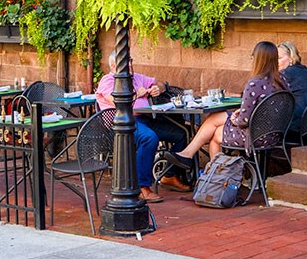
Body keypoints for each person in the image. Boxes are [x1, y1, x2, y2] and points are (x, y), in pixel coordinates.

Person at [167, 41, 291, 168]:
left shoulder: (255, 83)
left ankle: (216, 179)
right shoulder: (283, 80)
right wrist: (240, 113)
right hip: (274, 134)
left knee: (215, 135)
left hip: (255, 137)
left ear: (257, 59)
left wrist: (234, 119)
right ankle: (187, 154)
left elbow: (243, 121)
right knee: (215, 117)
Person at [96, 53, 189, 201]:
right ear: (114, 66)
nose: (131, 65)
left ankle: (169, 175)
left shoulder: (137, 77)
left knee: (182, 133)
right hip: (122, 125)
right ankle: (142, 186)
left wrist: (158, 88)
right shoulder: (107, 81)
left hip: (145, 119)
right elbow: (117, 102)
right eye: (127, 62)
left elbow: (159, 83)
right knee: (148, 138)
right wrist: (135, 94)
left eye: (131, 61)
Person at [277, 41, 307, 135]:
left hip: (296, 125)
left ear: (291, 58)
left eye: (279, 58)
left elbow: (272, 98)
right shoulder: (303, 70)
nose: (275, 62)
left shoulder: (286, 74)